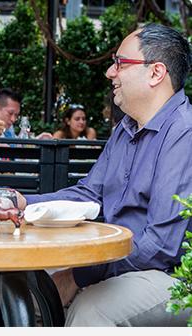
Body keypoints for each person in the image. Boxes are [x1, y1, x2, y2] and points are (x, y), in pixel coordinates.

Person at [16, 23, 192, 326]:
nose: (110, 72)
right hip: (125, 262)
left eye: (120, 63)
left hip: (173, 277)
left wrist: (80, 275)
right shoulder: (127, 128)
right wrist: (21, 202)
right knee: (24, 282)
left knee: (91, 309)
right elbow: (88, 193)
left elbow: (161, 246)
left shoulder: (183, 132)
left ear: (156, 73)